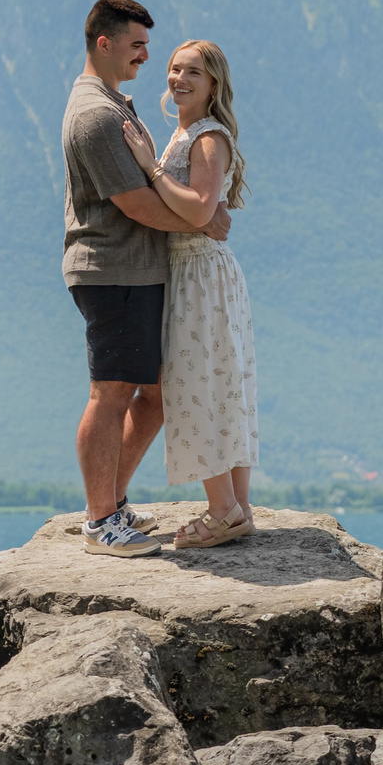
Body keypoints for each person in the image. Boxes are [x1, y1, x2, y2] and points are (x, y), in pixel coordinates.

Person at [62, 0, 230, 556]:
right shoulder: (97, 114)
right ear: (104, 43)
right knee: (111, 392)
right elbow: (133, 203)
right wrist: (201, 223)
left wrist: (195, 215)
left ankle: (113, 501)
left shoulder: (115, 104)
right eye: (137, 46)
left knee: (156, 393)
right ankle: (99, 521)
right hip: (113, 269)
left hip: (138, 269)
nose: (145, 57)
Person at [124, 39, 258, 550]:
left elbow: (201, 212)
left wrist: (149, 166)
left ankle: (223, 512)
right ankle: (238, 507)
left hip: (198, 273)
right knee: (221, 382)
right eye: (174, 70)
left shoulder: (206, 136)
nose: (178, 79)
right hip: (201, 272)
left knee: (195, 386)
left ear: (214, 85)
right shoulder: (189, 132)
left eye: (193, 73)